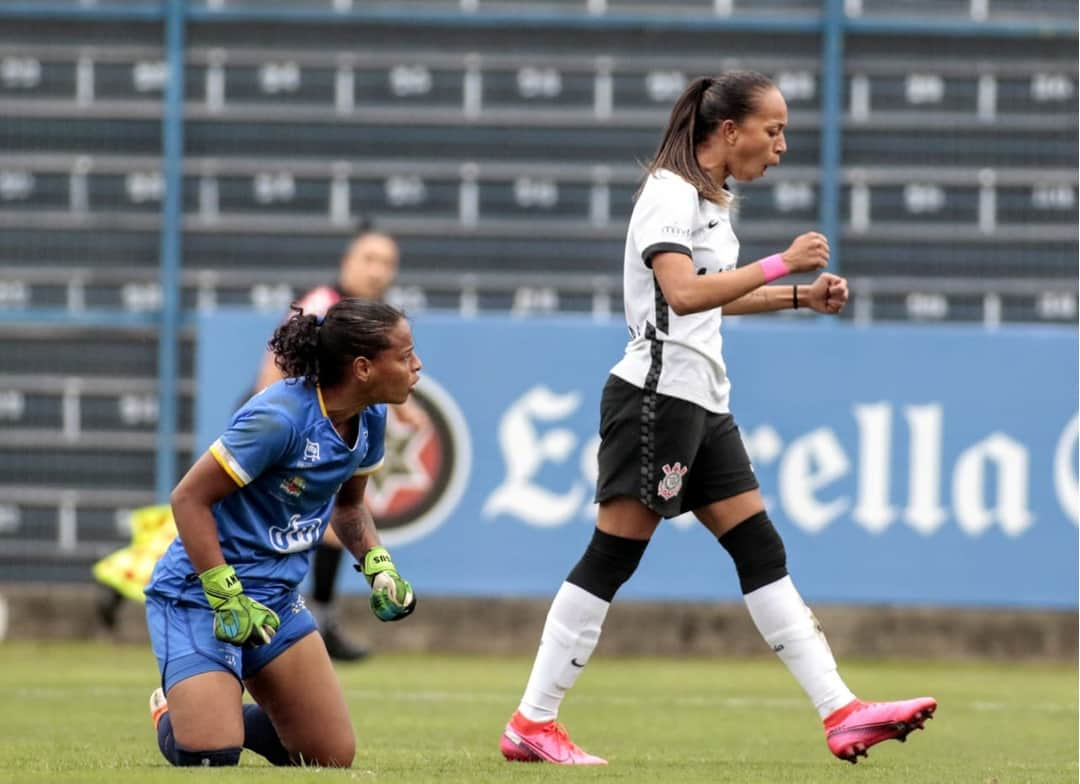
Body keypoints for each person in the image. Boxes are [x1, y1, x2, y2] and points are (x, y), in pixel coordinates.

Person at [499, 72, 936, 766]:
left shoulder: (710, 200)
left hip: (702, 401)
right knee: (612, 556)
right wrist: (779, 262)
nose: (782, 146)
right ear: (728, 131)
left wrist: (799, 295)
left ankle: (842, 712)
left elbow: (708, 298)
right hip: (656, 396)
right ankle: (532, 721)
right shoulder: (668, 193)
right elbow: (678, 291)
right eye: (774, 129)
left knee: (760, 550)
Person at [145, 298, 421, 767]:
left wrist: (377, 563)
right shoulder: (279, 418)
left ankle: (217, 704)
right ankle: (178, 712)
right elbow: (187, 499)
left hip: (275, 598)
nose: (417, 365)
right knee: (212, 756)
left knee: (329, 758)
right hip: (200, 595)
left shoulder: (370, 416)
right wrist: (224, 595)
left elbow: (349, 507)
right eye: (405, 354)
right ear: (362, 367)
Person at [253, 229, 426, 662]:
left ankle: (318, 622)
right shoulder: (321, 303)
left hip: (316, 435)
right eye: (369, 258)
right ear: (348, 261)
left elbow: (373, 375)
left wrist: (402, 410)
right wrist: (268, 427)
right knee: (227, 520)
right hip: (283, 437)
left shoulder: (369, 319)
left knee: (332, 522)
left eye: (387, 262)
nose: (378, 270)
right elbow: (274, 373)